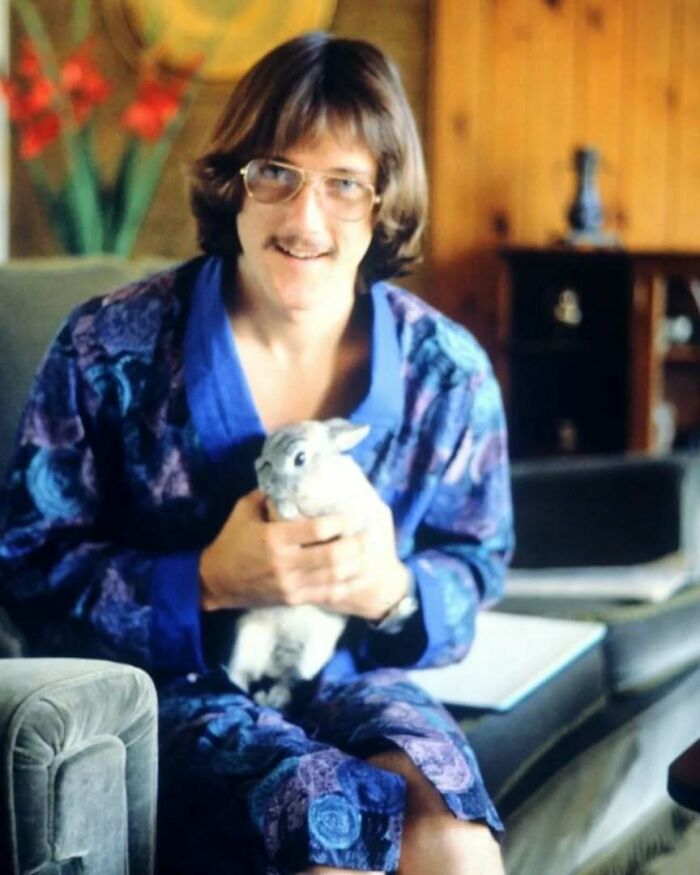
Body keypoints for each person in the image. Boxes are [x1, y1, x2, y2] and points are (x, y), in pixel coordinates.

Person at [0, 32, 514, 875]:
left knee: (450, 836)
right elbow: (24, 566)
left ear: (382, 205)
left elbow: (477, 560)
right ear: (233, 185)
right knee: (325, 822)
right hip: (171, 690)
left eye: (344, 184)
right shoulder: (106, 347)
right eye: (276, 171)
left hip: (355, 677)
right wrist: (203, 578)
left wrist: (390, 588)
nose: (304, 219)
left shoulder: (446, 374)